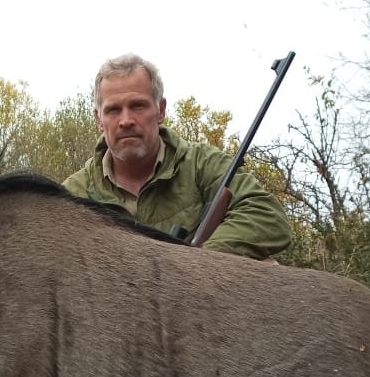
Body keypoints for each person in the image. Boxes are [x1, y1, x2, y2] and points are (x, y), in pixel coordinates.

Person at [63, 53, 291, 260]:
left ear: (160, 110)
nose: (126, 120)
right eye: (113, 110)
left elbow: (268, 216)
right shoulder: (73, 193)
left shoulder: (202, 163)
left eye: (138, 106)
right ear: (98, 119)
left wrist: (198, 262)